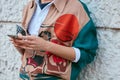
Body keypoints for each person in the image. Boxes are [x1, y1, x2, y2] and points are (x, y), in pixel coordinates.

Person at [10, 0, 98, 80]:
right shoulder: (30, 6)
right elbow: (28, 53)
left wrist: (46, 46)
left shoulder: (76, 8)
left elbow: (87, 54)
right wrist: (20, 45)